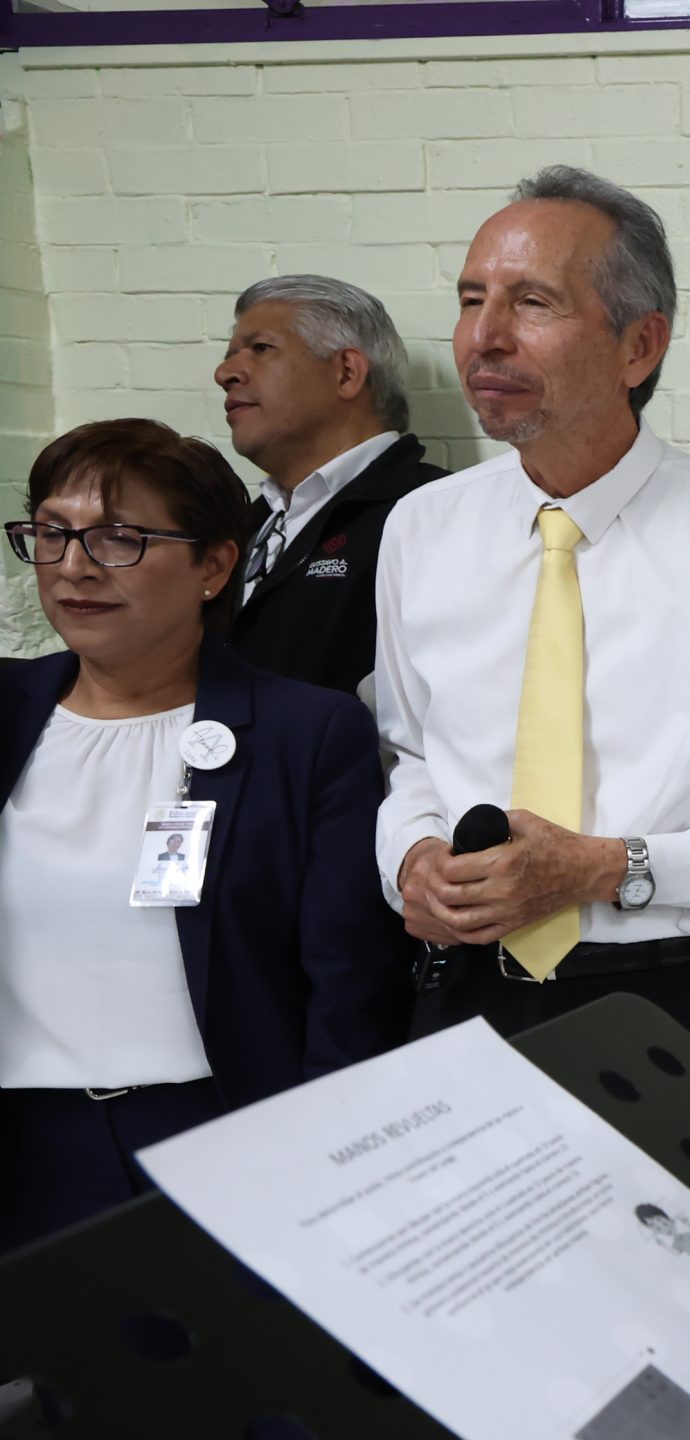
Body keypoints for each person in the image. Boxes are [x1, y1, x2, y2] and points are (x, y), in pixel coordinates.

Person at [376, 167, 690, 1100]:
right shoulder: (421, 530)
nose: (486, 335)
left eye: (532, 301)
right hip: (460, 1001)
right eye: (472, 300)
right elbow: (408, 753)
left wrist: (610, 869)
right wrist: (410, 854)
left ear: (639, 345)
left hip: (669, 1006)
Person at [0, 420, 410, 1254]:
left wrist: (331, 1162)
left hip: (223, 1136)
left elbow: (350, 982)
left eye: (120, 537)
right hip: (21, 1151)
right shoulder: (8, 712)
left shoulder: (305, 732)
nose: (75, 564)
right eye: (52, 532)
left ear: (215, 565)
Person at [215, 275, 447, 699]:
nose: (224, 373)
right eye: (230, 355)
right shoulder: (245, 522)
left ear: (346, 372)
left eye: (260, 348)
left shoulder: (435, 515)